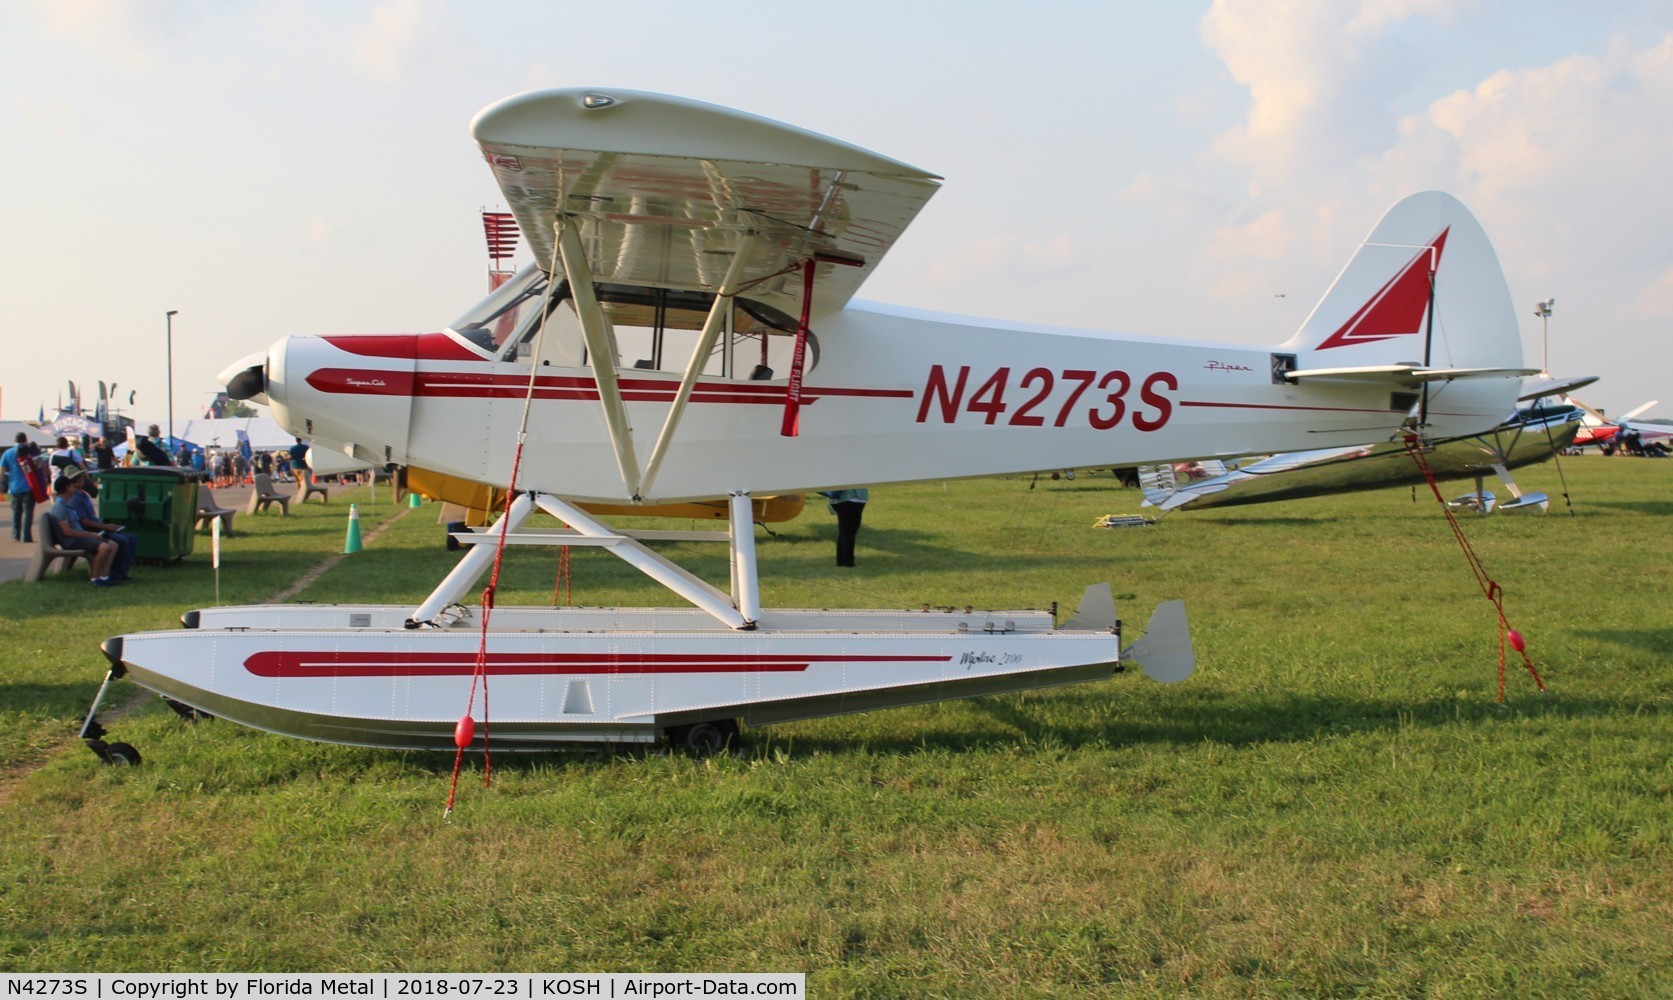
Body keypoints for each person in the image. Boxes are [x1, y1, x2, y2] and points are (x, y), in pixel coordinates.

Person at [64, 468, 136, 582]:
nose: (82, 478)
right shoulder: (75, 499)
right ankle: (113, 573)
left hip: (96, 528)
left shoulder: (83, 495)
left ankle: (121, 572)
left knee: (131, 539)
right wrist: (106, 527)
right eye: (78, 477)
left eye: (81, 476)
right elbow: (85, 522)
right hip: (90, 531)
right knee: (121, 541)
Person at [46, 476, 119, 586]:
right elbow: (67, 532)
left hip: (78, 537)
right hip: (71, 541)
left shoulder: (67, 504)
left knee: (113, 545)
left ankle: (104, 576)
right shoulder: (60, 507)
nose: (73, 487)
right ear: (67, 488)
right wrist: (89, 534)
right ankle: (94, 579)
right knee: (104, 547)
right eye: (71, 485)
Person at [818, 488, 869, 568]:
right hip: (854, 498)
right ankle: (849, 563)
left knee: (844, 532)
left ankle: (841, 562)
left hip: (838, 500)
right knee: (849, 532)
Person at [2, 432, 34, 542]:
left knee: (16, 512)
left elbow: (2, 469)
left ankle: (16, 534)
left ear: (14, 440)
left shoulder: (8, 453)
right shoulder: (30, 451)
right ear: (25, 440)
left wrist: (2, 483)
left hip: (14, 487)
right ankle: (27, 536)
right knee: (28, 512)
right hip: (29, 486)